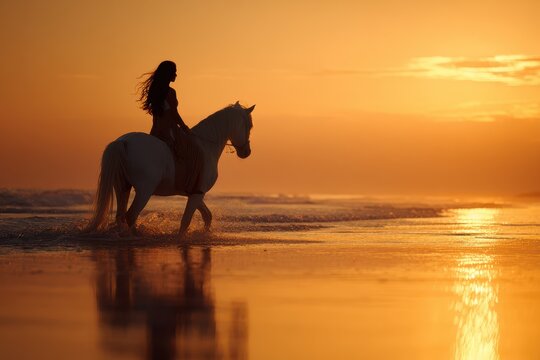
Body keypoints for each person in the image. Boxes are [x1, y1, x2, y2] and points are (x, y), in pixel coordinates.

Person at [137, 60, 203, 194]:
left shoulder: (155, 90)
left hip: (155, 130)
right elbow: (174, 113)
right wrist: (185, 127)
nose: (176, 75)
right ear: (169, 74)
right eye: (174, 72)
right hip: (170, 131)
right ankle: (190, 186)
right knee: (195, 151)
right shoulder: (170, 92)